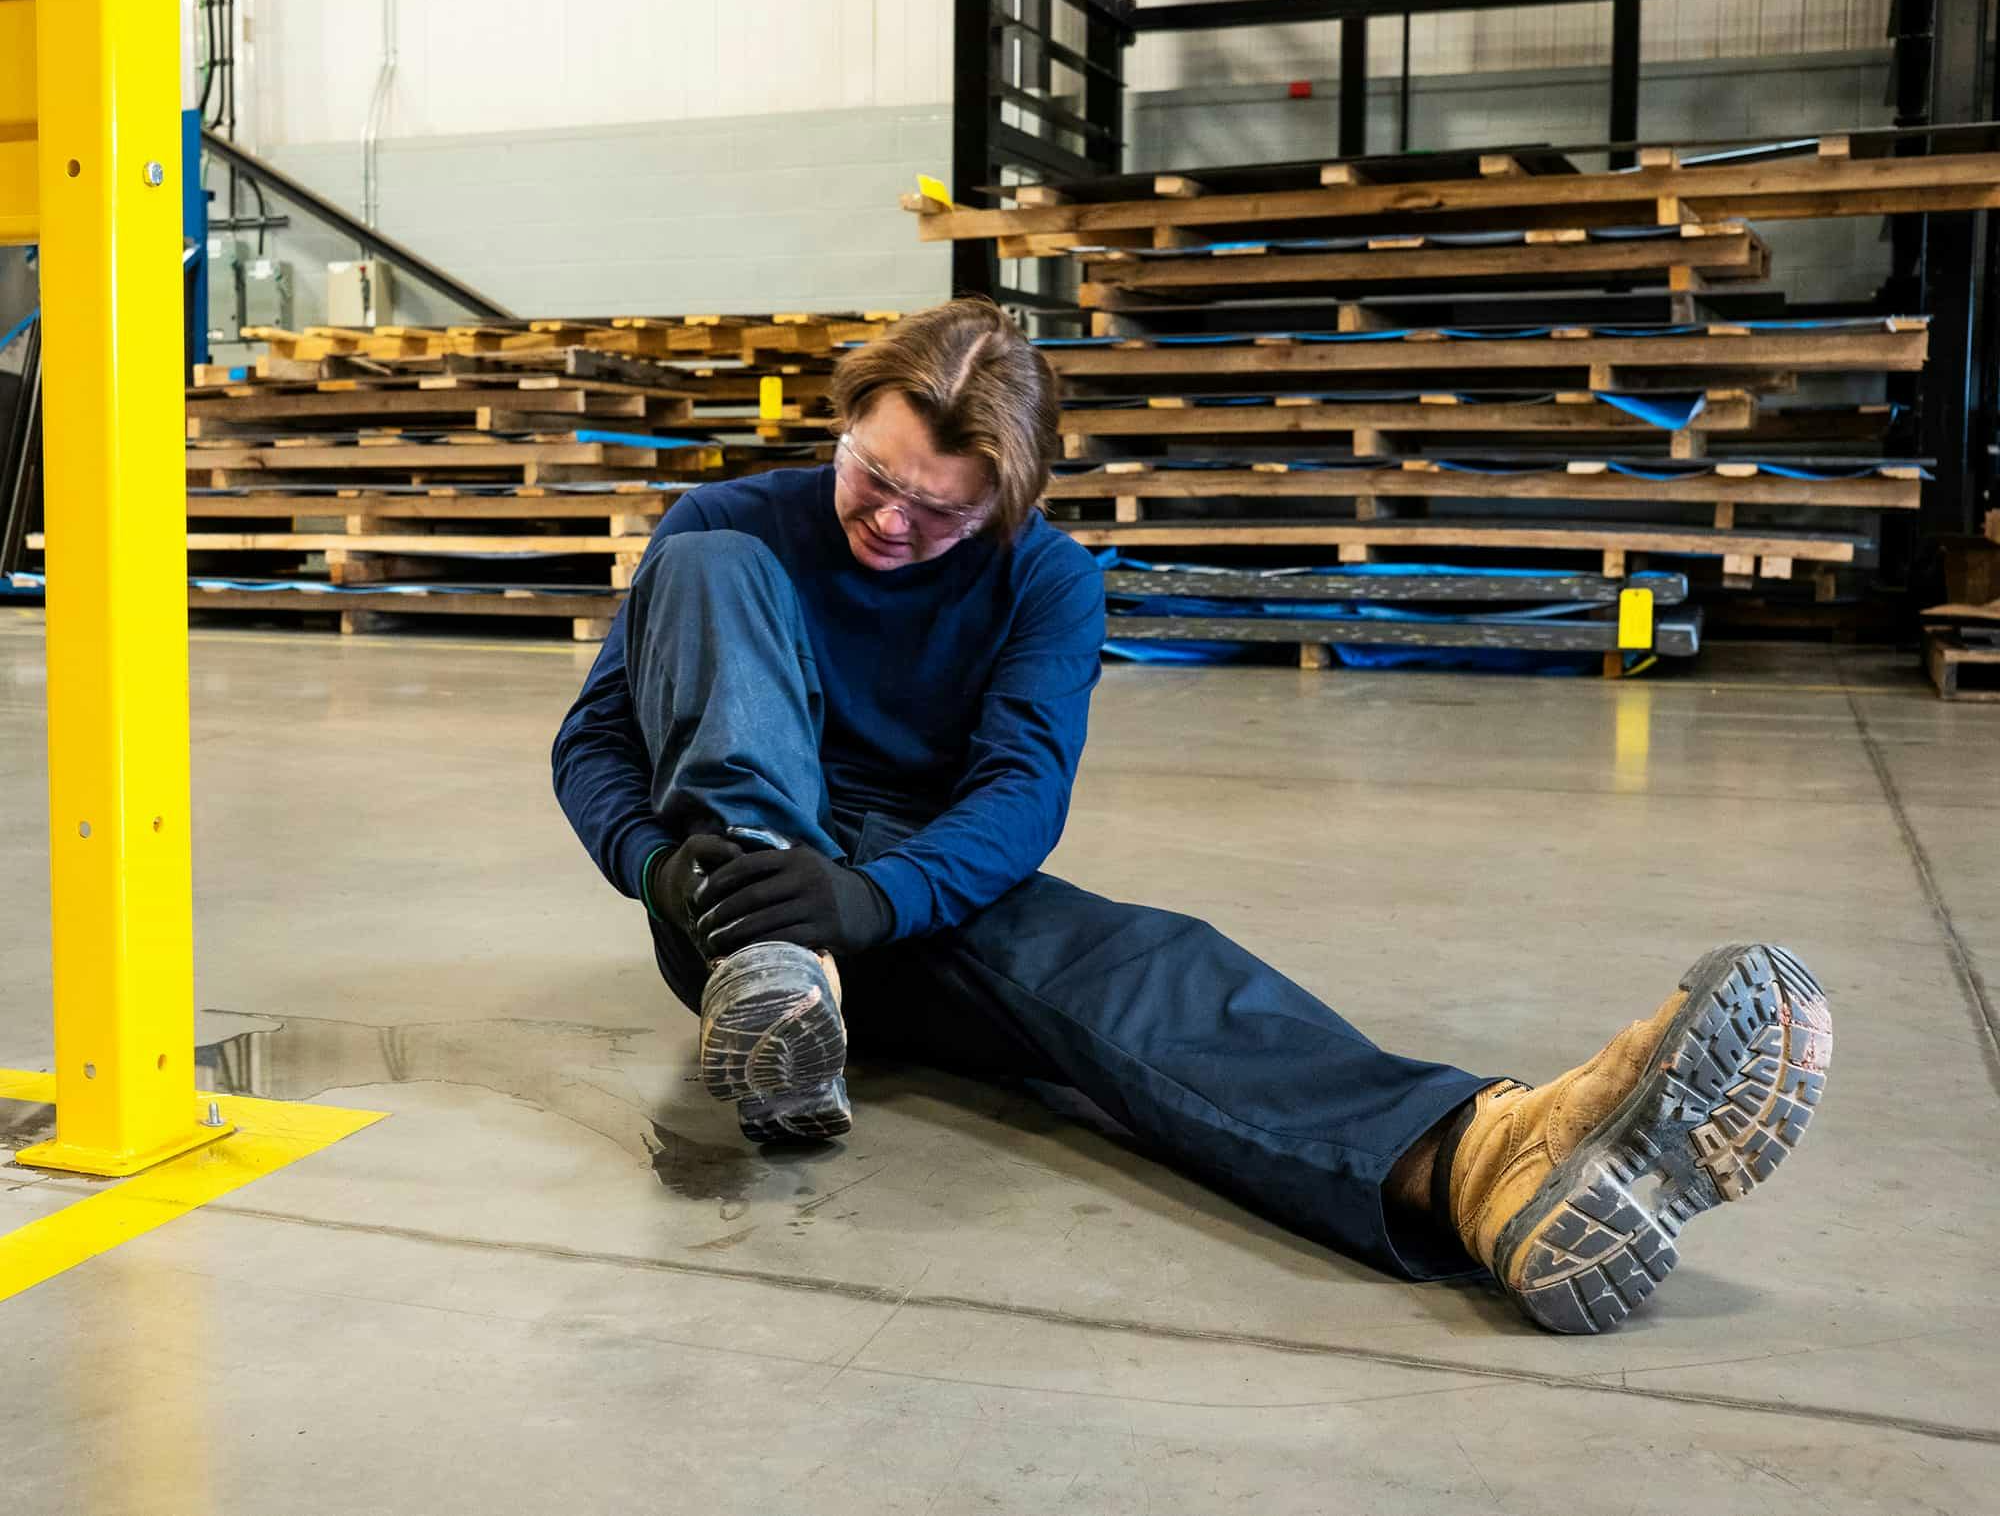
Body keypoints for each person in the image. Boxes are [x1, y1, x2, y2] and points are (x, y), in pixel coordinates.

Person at [552, 298, 1832, 1335]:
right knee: (715, 566)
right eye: (871, 474)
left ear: (1006, 501)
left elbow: (1019, 792)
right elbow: (597, 741)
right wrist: (669, 874)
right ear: (843, 425)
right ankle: (779, 981)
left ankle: (1481, 1168)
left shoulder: (1045, 580)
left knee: (1136, 968)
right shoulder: (730, 522)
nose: (889, 520)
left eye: (937, 510)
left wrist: (877, 899)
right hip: (731, 894)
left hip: (905, 884)